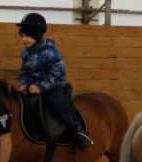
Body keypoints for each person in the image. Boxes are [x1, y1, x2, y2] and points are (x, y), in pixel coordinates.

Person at [15, 12, 92, 149]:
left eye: (27, 36)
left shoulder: (50, 52)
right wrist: (22, 84)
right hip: (31, 87)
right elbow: (23, 72)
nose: (23, 39)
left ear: (37, 34)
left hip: (52, 86)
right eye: (22, 36)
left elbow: (58, 74)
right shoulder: (25, 53)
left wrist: (41, 87)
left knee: (56, 103)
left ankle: (78, 129)